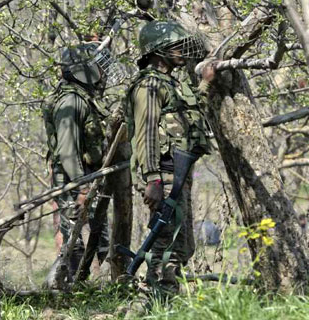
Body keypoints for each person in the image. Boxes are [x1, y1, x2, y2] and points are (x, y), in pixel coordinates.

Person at [124, 20, 215, 296]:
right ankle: (158, 300)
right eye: (176, 45)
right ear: (158, 50)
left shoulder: (171, 83)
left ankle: (166, 296)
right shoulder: (149, 85)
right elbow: (147, 133)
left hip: (177, 173)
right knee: (166, 243)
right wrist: (152, 178)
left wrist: (206, 84)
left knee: (182, 244)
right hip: (163, 175)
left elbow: (189, 113)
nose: (182, 50)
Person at [42, 41, 117, 284]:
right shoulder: (71, 102)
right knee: (74, 239)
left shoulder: (83, 98)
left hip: (87, 176)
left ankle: (98, 286)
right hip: (76, 180)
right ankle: (65, 288)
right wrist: (82, 188)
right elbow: (66, 152)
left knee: (100, 236)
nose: (101, 70)